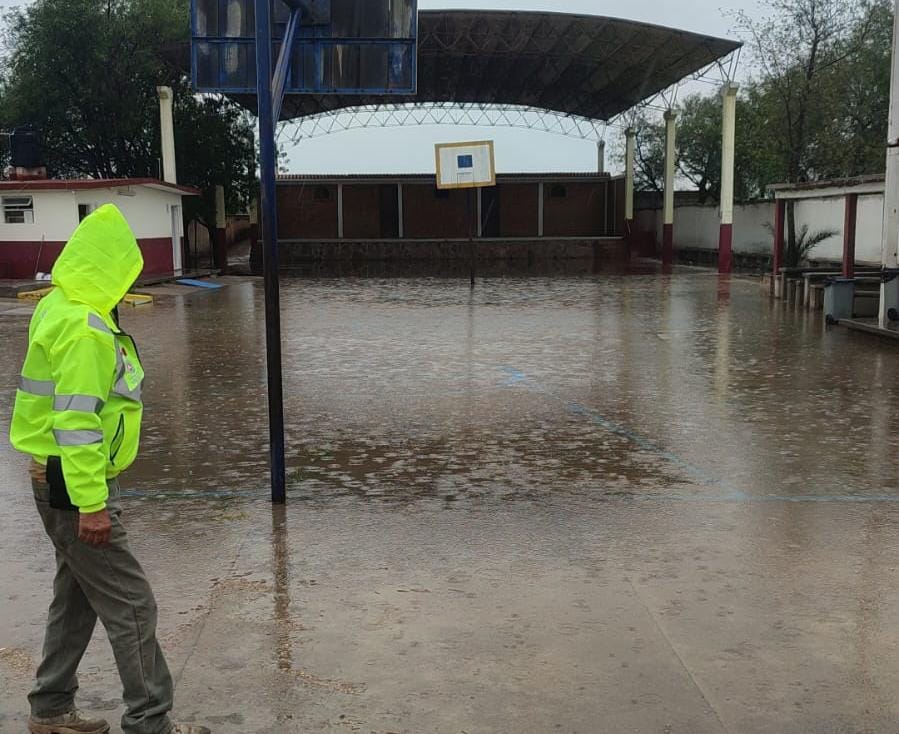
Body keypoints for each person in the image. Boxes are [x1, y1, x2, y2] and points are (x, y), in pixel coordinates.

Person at [10, 204, 209, 734]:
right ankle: (150, 722)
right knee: (133, 604)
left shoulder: (59, 305)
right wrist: (92, 504)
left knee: (76, 598)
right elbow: (76, 422)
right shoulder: (86, 331)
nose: (129, 285)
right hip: (73, 483)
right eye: (126, 273)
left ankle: (50, 709)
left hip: (55, 476)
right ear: (111, 270)